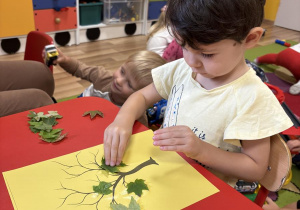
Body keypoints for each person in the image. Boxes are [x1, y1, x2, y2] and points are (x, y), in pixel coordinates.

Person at [103, 0, 293, 187]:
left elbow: (255, 169)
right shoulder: (182, 68)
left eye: (207, 54)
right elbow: (141, 96)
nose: (191, 61)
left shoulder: (253, 98)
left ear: (250, 39)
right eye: (183, 47)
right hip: (165, 174)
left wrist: (201, 150)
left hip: (208, 191)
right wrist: (122, 121)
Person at [54, 49, 166, 125]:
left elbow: (140, 137)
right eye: (122, 71)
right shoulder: (102, 77)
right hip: (77, 109)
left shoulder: (138, 115)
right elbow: (79, 68)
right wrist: (65, 60)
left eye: (130, 84)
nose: (119, 80)